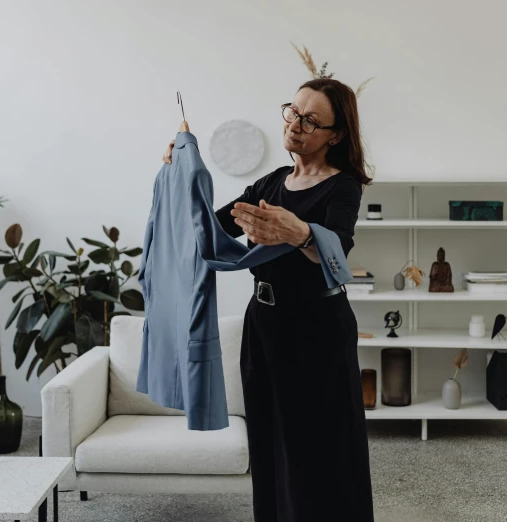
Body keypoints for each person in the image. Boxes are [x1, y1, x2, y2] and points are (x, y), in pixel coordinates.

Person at [162, 78, 374, 521]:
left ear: (336, 135)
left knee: (316, 449)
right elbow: (211, 231)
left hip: (317, 331)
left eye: (311, 120)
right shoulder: (271, 182)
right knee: (269, 442)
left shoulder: (343, 186)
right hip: (263, 328)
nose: (295, 125)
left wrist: (300, 233)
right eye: (293, 111)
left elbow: (337, 249)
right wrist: (180, 176)